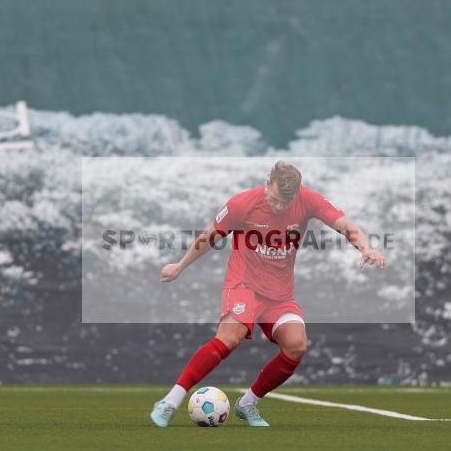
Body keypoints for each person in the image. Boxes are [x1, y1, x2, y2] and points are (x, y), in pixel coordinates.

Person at [150, 161, 385, 427]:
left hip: (280, 295)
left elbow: (344, 224)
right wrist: (180, 266)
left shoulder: (308, 200)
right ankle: (170, 401)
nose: (278, 207)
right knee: (230, 337)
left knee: (297, 346)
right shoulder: (243, 204)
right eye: (273, 199)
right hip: (244, 285)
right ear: (267, 185)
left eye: (284, 203)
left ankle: (248, 403)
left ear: (295, 194)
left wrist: (364, 247)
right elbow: (209, 236)